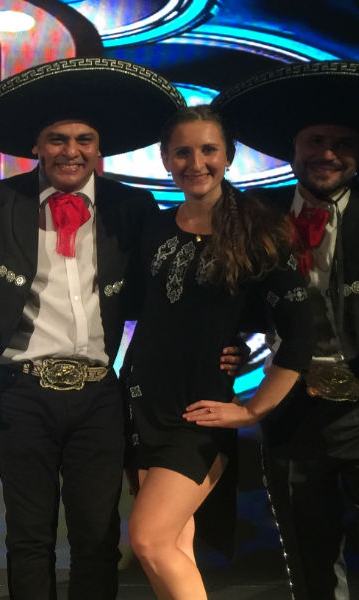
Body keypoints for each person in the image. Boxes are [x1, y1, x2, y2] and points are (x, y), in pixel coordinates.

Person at [0, 58, 189, 600]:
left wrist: (221, 343)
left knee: (97, 537)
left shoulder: (131, 206)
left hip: (98, 394)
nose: (71, 151)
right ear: (36, 147)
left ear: (98, 146)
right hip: (23, 391)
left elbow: (166, 292)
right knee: (29, 537)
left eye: (84, 140)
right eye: (57, 139)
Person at [123, 105, 313, 599]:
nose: (196, 163)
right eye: (182, 152)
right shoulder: (154, 227)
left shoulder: (260, 231)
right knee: (173, 546)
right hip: (142, 403)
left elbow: (300, 334)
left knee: (149, 539)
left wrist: (252, 409)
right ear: (165, 158)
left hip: (197, 414)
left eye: (208, 150)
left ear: (228, 155)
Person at [214, 60, 359, 600]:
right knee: (308, 551)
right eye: (316, 141)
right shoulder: (258, 214)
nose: (329, 154)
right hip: (292, 404)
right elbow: (234, 297)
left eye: (343, 143)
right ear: (292, 148)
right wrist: (230, 343)